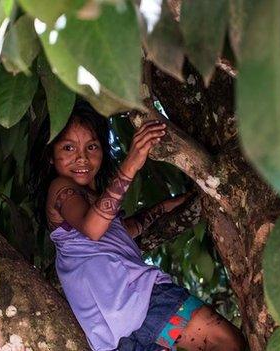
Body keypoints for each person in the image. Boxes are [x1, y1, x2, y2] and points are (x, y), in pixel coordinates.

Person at [30, 101, 245, 351]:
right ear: (49, 155)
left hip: (117, 337)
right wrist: (131, 162)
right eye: (69, 147)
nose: (82, 157)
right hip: (143, 302)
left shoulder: (95, 205)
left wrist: (163, 208)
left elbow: (120, 232)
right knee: (228, 342)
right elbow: (93, 228)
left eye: (92, 146)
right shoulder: (60, 188)